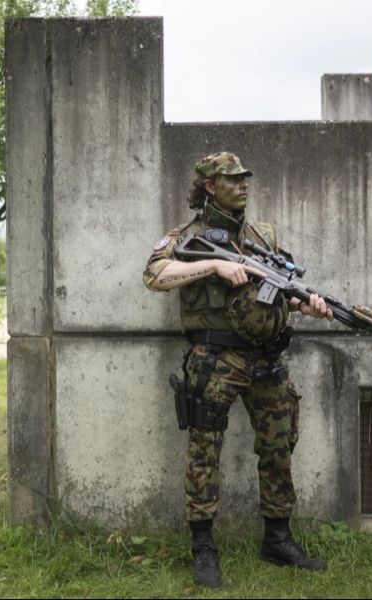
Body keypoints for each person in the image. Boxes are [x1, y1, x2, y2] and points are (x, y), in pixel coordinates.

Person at [143, 152, 333, 588]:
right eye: (233, 179)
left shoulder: (261, 236)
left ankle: (278, 539)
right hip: (215, 360)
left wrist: (311, 305)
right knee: (204, 451)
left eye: (245, 178)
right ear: (210, 185)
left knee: (278, 444)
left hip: (266, 358)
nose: (243, 184)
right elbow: (153, 275)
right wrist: (213, 264)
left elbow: (285, 291)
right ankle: (204, 548)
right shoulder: (186, 236)